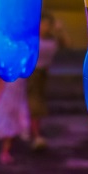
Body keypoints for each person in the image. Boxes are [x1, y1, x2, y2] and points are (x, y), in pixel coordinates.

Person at [27, 11, 63, 150]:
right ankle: (35, 135)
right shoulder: (32, 39)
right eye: (43, 24)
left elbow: (66, 43)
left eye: (48, 25)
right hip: (31, 74)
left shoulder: (52, 40)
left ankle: (33, 133)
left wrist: (60, 30)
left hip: (42, 75)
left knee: (38, 105)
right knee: (34, 105)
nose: (45, 27)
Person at [0, 77, 30, 165]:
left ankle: (5, 151)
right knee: (8, 125)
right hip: (7, 100)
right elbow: (0, 85)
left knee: (11, 125)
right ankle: (5, 152)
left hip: (16, 101)